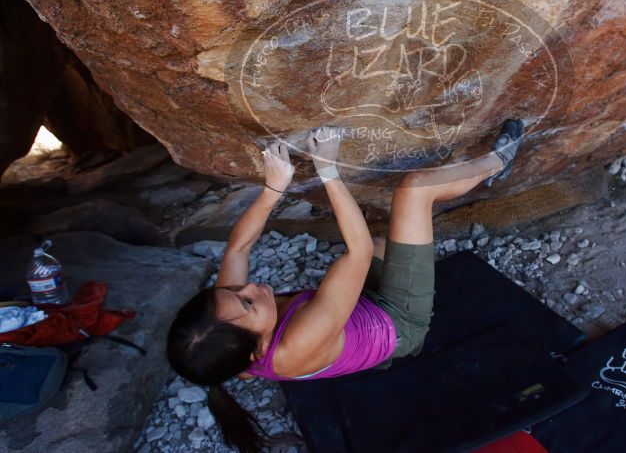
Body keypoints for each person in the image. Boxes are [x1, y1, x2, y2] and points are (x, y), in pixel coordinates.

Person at [167, 120, 526, 452]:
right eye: (250, 303)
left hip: (356, 315)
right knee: (414, 192)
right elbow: (359, 253)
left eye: (234, 292)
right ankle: (497, 162)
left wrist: (272, 189)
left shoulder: (229, 338)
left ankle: (410, 264)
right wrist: (328, 170)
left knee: (386, 244)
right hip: (398, 322)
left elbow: (238, 248)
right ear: (259, 349)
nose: (252, 287)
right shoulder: (295, 344)